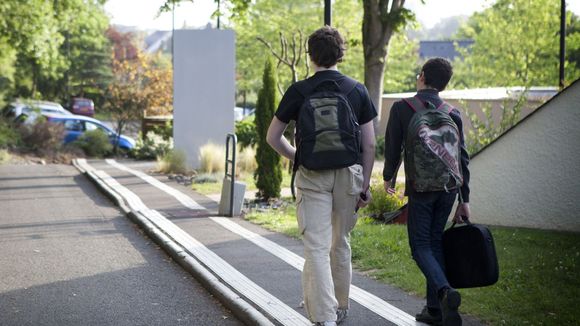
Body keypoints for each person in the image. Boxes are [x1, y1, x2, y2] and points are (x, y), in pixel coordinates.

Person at [266, 26, 377, 326]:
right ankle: (340, 307)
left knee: (316, 245)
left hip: (312, 175)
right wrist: (364, 185)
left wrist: (297, 157)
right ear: (340, 53)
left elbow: (273, 137)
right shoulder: (357, 90)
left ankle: (324, 317)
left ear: (310, 55)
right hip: (348, 174)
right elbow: (369, 144)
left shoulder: (299, 91)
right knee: (339, 242)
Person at [382, 57, 471, 326]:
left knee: (420, 246)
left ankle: (444, 292)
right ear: (444, 84)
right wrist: (464, 199)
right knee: (434, 242)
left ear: (421, 76)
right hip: (447, 188)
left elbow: (393, 147)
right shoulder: (452, 113)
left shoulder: (402, 108)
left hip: (420, 188)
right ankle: (435, 310)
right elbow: (462, 158)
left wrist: (389, 179)